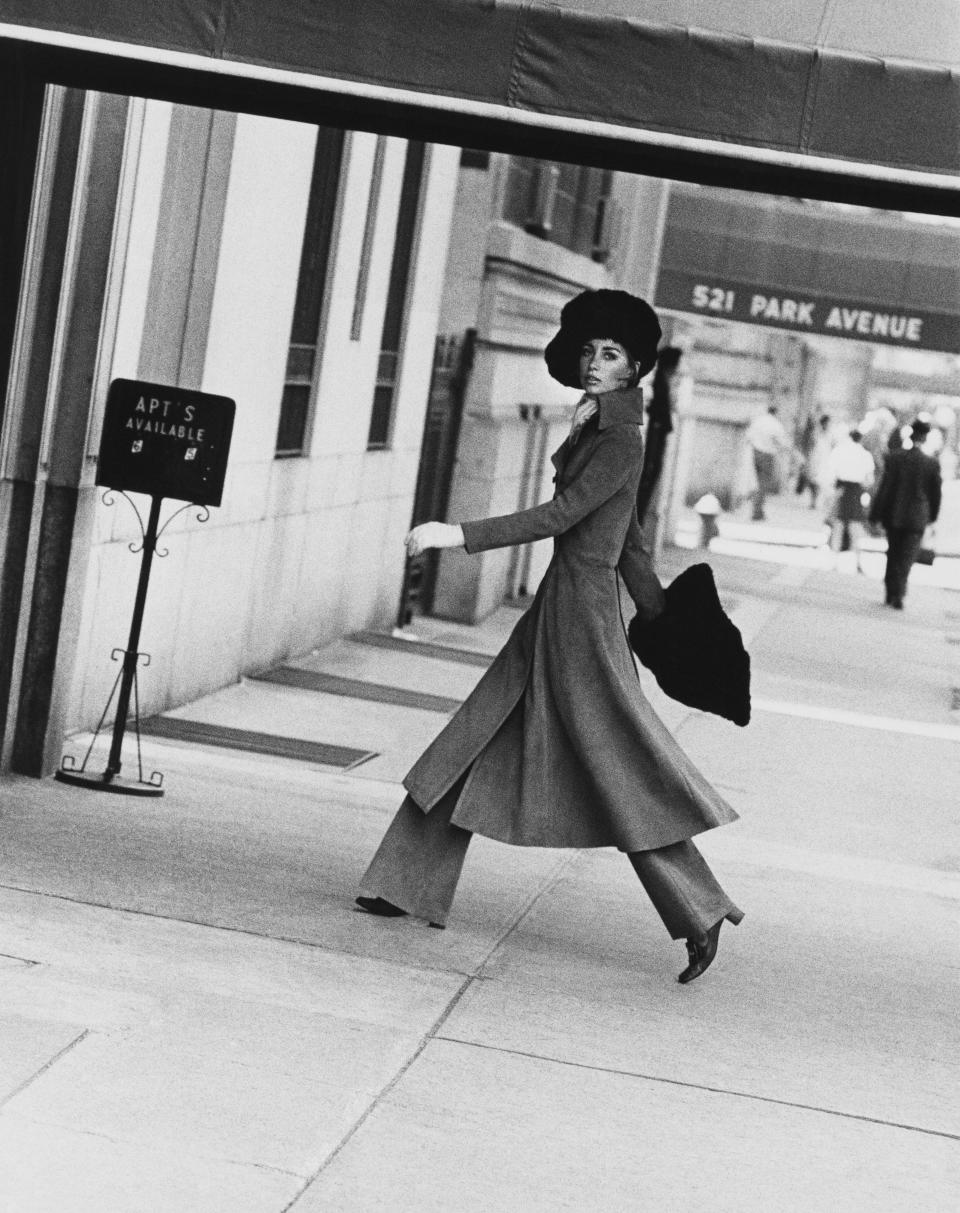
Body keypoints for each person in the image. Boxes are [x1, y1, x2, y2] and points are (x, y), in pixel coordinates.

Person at [356, 289, 744, 985]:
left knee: (619, 766)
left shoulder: (620, 438)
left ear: (635, 367)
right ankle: (403, 880)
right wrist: (654, 611)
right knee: (472, 734)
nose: (598, 362)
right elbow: (630, 543)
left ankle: (700, 907)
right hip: (562, 607)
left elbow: (564, 515)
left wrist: (458, 535)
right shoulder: (601, 426)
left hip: (581, 620)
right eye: (591, 350)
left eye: (613, 353)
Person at [869, 417, 942, 609]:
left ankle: (891, 590)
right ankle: (899, 592)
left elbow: (884, 488)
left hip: (894, 514)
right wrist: (932, 517)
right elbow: (935, 495)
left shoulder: (894, 458)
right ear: (925, 438)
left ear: (911, 435)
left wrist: (875, 514)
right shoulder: (931, 464)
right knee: (907, 557)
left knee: (893, 553)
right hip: (917, 518)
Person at [824, 426, 875, 572]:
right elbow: (869, 480)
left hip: (841, 489)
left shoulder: (840, 451)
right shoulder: (865, 455)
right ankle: (856, 562)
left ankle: (833, 560)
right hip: (856, 491)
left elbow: (831, 472)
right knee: (855, 528)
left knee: (838, 526)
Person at [745, 405, 789, 520]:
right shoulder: (776, 424)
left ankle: (757, 510)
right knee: (763, 484)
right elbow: (782, 442)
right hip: (767, 454)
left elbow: (748, 436)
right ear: (776, 412)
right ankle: (757, 511)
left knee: (756, 482)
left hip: (755, 452)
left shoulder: (758, 421)